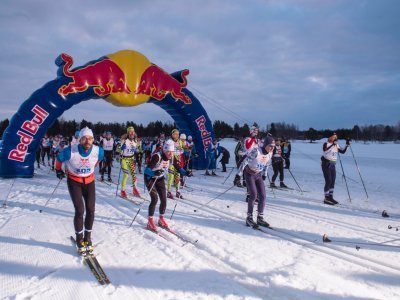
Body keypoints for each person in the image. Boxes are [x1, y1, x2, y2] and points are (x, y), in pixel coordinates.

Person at [55, 127, 104, 253]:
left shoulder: (99, 151)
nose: (87, 141)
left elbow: (97, 162)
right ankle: (79, 239)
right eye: (84, 138)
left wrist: (89, 169)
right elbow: (59, 160)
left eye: (90, 139)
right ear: (79, 140)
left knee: (91, 210)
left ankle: (87, 238)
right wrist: (58, 170)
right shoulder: (70, 151)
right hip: (74, 182)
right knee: (80, 210)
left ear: (93, 139)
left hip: (89, 182)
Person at [144, 140, 184, 232]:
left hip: (160, 178)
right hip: (150, 178)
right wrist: (154, 172)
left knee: (164, 199)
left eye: (172, 151)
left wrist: (186, 172)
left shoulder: (172, 157)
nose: (170, 154)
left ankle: (161, 219)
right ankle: (150, 220)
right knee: (154, 199)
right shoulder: (157, 156)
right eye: (168, 151)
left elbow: (179, 168)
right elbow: (146, 170)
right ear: (164, 150)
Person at [240, 136, 275, 228]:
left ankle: (260, 218)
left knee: (263, 196)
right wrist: (237, 175)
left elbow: (267, 164)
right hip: (249, 174)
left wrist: (265, 174)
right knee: (253, 195)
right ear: (265, 144)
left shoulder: (270, 153)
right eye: (270, 146)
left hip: (258, 174)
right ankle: (249, 218)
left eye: (273, 146)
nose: (272, 148)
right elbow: (244, 162)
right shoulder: (256, 151)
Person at [321, 132, 350, 205]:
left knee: (333, 181)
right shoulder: (326, 143)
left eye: (335, 137)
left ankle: (330, 197)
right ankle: (326, 198)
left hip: (333, 164)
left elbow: (343, 151)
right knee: (328, 181)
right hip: (326, 164)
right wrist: (332, 145)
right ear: (330, 137)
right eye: (333, 137)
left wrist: (347, 145)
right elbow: (325, 150)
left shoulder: (336, 145)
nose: (335, 138)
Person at [119, 126, 141, 198]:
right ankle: (123, 190)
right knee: (126, 175)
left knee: (134, 175)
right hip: (124, 159)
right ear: (128, 133)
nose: (132, 133)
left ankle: (134, 189)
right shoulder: (124, 140)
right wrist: (121, 148)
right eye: (130, 132)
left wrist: (140, 151)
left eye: (133, 132)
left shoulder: (135, 141)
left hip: (131, 159)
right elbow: (117, 150)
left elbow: (139, 149)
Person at [167, 129, 186, 199]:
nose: (177, 135)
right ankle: (168, 192)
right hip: (171, 162)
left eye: (178, 134)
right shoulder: (169, 142)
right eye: (175, 134)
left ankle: (178, 192)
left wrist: (189, 148)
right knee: (171, 178)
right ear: (172, 135)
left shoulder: (180, 141)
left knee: (178, 177)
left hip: (178, 162)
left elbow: (184, 147)